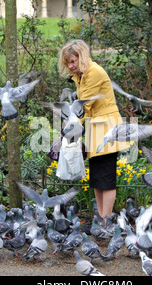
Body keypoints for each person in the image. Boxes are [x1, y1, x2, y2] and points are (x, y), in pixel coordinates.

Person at [58, 39, 130, 224]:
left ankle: (105, 221)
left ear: (81, 57)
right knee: (97, 180)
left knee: (106, 179)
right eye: (68, 63)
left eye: (73, 61)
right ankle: (100, 219)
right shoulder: (82, 75)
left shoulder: (93, 73)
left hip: (106, 129)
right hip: (96, 129)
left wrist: (69, 132)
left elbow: (85, 106)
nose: (71, 66)